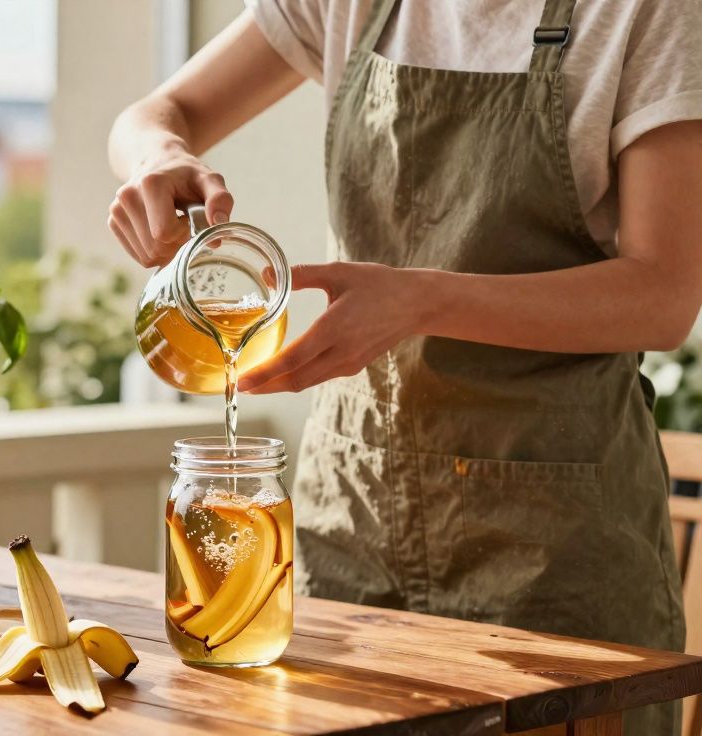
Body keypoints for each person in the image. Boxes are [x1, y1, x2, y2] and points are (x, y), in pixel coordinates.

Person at [108, 1, 702, 732]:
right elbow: (155, 114)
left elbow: (663, 295)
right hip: (350, 526)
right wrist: (157, 157)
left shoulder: (646, 11)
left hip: (556, 551)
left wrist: (420, 301)